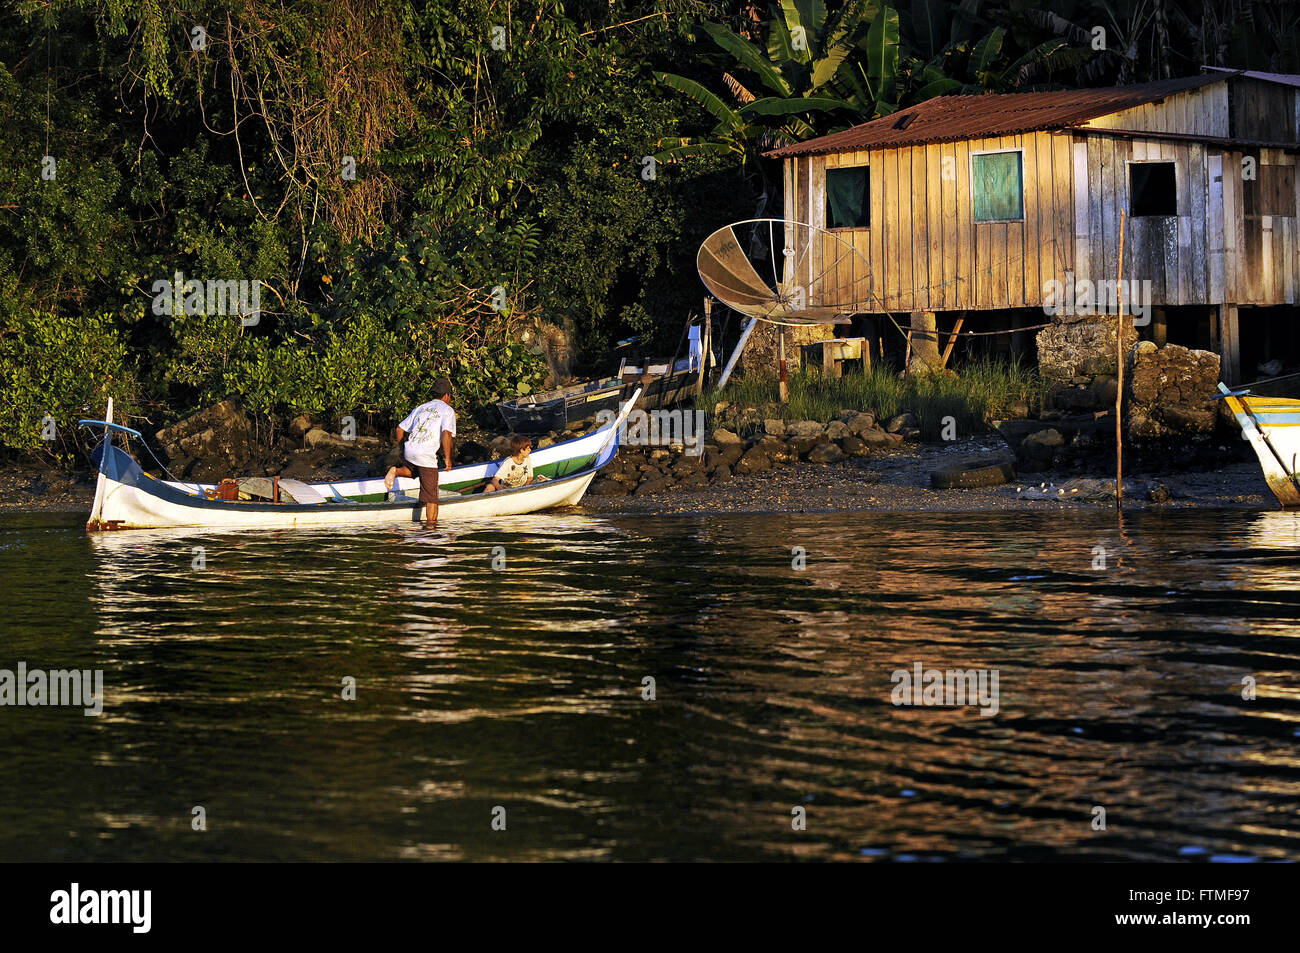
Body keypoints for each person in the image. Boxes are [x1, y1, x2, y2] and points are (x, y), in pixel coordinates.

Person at [385, 378, 456, 527]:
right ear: (447, 396)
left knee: (415, 471)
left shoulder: (421, 407)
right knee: (432, 498)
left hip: (410, 449)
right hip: (425, 455)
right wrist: (448, 458)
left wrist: (402, 448)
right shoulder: (447, 410)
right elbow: (446, 434)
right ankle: (430, 528)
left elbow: (400, 429)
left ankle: (396, 471)